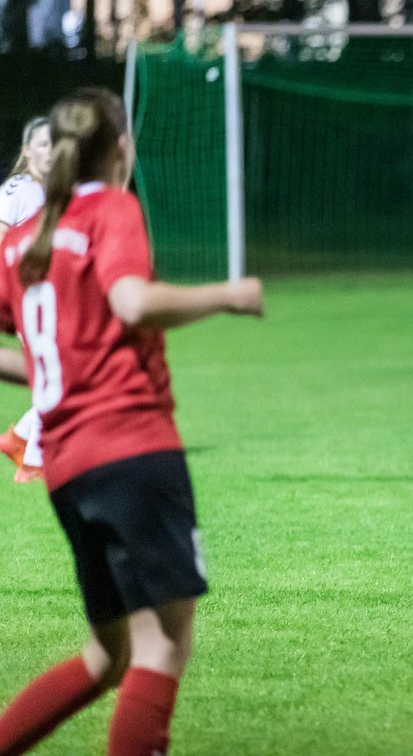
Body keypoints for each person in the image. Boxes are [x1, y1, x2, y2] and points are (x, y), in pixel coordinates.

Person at [0, 88, 264, 755]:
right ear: (121, 146)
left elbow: (40, 338)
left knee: (105, 657)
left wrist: (57, 371)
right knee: (161, 647)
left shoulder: (20, 240)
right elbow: (131, 300)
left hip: (65, 468)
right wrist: (229, 295)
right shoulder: (109, 210)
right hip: (132, 451)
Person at [0, 115, 53, 483]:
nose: (51, 151)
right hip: (25, 298)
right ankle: (31, 459)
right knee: (56, 373)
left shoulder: (56, 190)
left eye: (57, 144)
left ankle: (18, 439)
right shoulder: (17, 189)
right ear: (27, 150)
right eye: (44, 144)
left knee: (57, 372)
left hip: (49, 297)